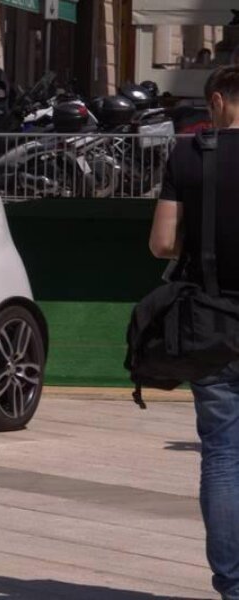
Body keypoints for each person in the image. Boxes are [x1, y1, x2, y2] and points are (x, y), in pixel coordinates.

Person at [149, 64, 239, 600]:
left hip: (211, 322)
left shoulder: (189, 154)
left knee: (223, 456)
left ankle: (233, 586)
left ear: (218, 102)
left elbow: (162, 243)